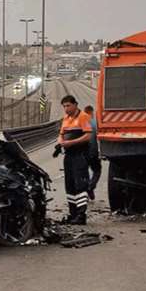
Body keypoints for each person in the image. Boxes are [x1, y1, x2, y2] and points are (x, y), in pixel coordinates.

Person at [57, 95, 92, 225]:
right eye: (64, 106)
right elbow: (61, 134)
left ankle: (81, 215)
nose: (66, 109)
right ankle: (73, 214)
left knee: (80, 184)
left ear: (75, 104)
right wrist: (60, 142)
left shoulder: (83, 117)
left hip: (80, 154)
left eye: (68, 106)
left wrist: (71, 142)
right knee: (69, 184)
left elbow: (88, 136)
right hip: (69, 155)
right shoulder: (66, 119)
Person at [83, 105, 102, 200]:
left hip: (82, 153)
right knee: (97, 170)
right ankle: (90, 186)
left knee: (83, 172)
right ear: (91, 112)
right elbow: (99, 138)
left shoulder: (79, 122)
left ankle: (83, 193)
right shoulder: (95, 123)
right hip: (93, 152)